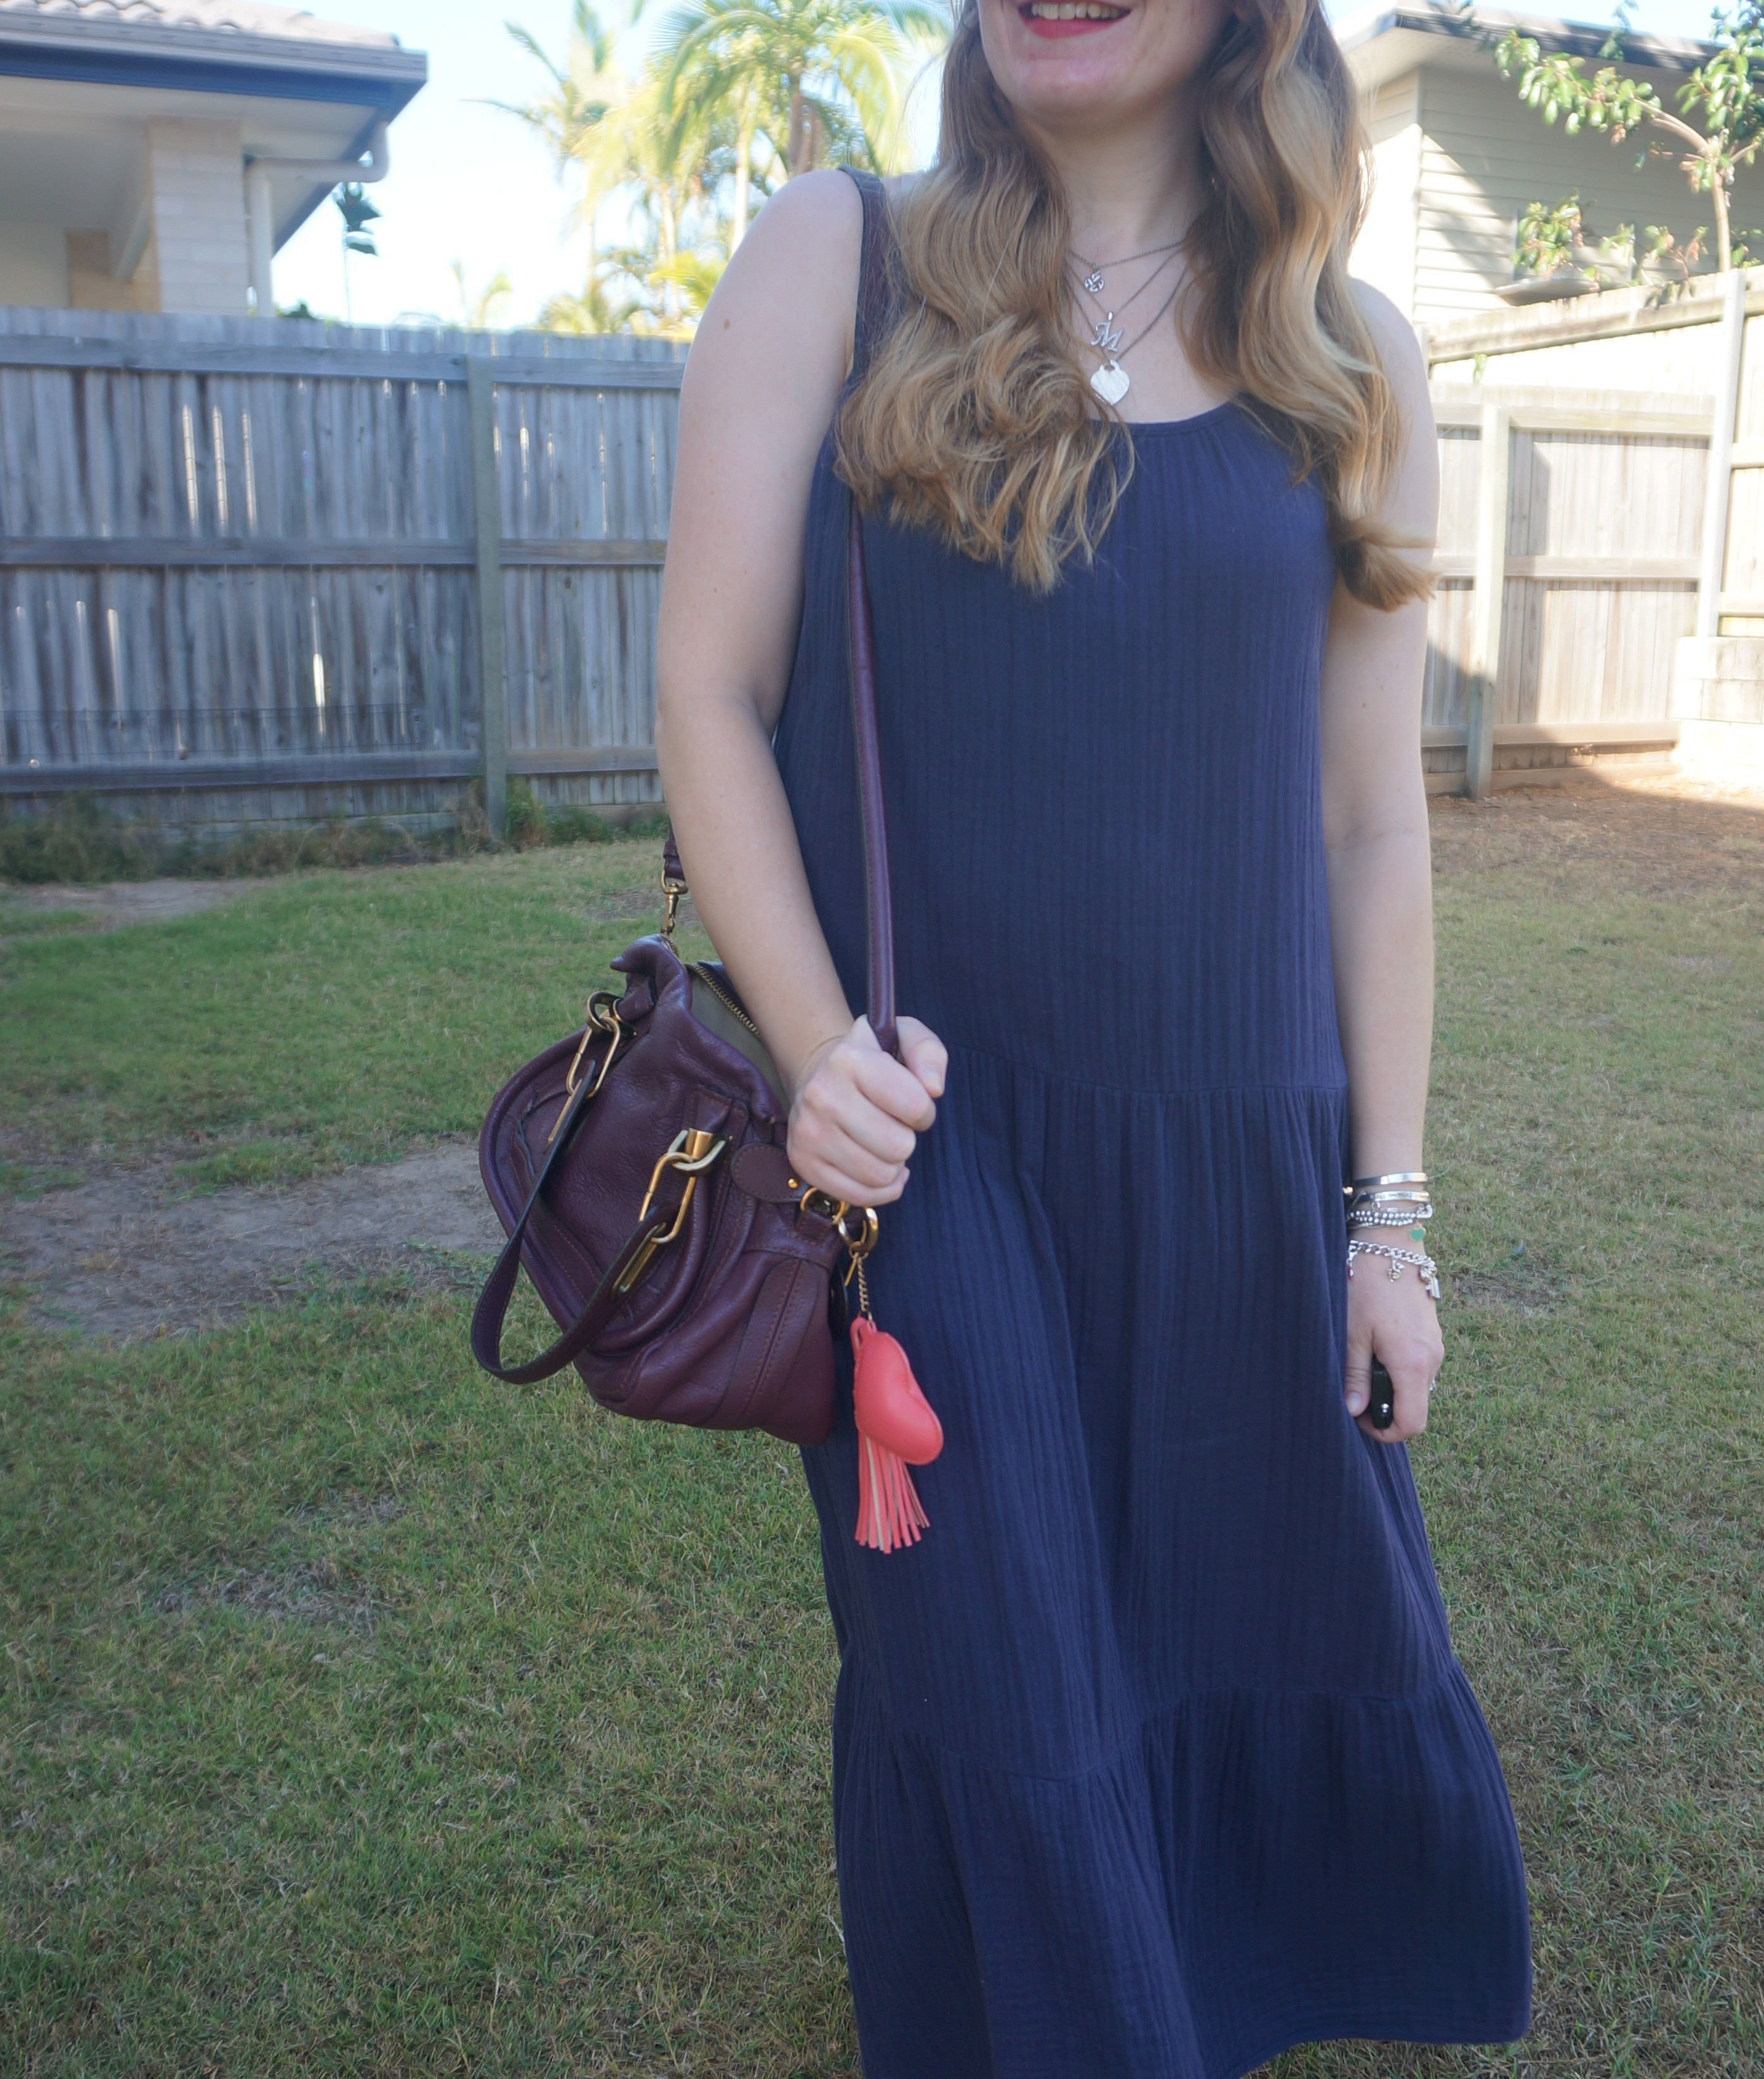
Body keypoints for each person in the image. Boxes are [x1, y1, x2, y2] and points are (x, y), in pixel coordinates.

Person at [654, 0, 1531, 2069]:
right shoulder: (835, 263)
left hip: (1248, 1182)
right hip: (944, 1179)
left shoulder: (1353, 356)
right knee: (1010, 1691)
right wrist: (808, 1055)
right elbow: (707, 694)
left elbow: (1366, 822)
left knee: (1243, 1633)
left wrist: (1385, 1219)